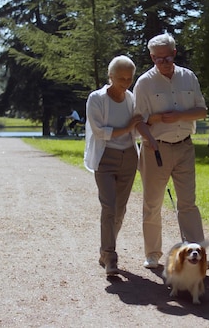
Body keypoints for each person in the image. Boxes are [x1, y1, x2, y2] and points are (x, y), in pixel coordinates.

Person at [134, 33, 209, 269]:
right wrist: (151, 129)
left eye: (167, 57)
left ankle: (195, 255)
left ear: (175, 54)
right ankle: (152, 254)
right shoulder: (144, 83)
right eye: (158, 59)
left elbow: (202, 111)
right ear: (151, 58)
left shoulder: (188, 77)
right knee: (152, 203)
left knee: (188, 202)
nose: (163, 63)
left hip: (185, 146)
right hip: (155, 148)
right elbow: (137, 120)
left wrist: (180, 116)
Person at [83, 55, 152, 276]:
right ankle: (110, 256)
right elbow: (99, 131)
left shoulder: (132, 99)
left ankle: (105, 251)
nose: (125, 82)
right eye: (120, 78)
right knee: (109, 207)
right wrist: (127, 127)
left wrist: (151, 137)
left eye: (129, 78)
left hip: (129, 157)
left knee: (120, 210)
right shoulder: (96, 98)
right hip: (105, 158)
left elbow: (138, 125)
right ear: (110, 76)